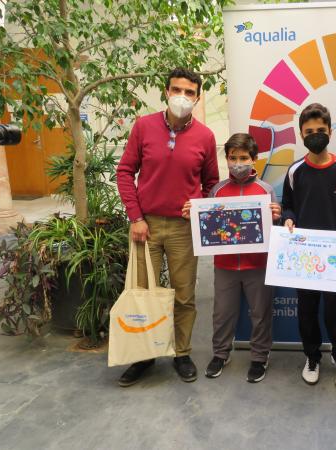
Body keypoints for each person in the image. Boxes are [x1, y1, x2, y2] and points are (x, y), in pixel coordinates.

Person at [116, 68, 219, 387]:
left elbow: (212, 184)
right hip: (144, 226)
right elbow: (125, 172)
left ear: (197, 97)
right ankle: (144, 355)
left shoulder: (205, 137)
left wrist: (197, 203)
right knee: (143, 293)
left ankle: (181, 353)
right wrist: (135, 217)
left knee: (184, 295)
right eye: (177, 90)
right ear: (166, 91)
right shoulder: (143, 127)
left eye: (190, 92)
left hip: (183, 229)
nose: (182, 97)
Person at [182, 133, 281, 383]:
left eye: (244, 158)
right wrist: (193, 214)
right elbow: (207, 224)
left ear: (254, 159)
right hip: (225, 265)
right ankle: (221, 354)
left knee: (260, 313)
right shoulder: (217, 191)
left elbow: (274, 228)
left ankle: (259, 356)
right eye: (233, 158)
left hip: (258, 264)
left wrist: (276, 217)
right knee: (222, 313)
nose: (238, 163)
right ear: (226, 159)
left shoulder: (266, 191)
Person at [281, 103, 336, 390]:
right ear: (300, 134)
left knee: (334, 311)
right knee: (306, 310)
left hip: (334, 258)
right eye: (309, 131)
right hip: (303, 256)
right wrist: (288, 219)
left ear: (330, 131)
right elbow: (288, 206)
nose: (315, 135)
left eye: (320, 130)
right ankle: (312, 357)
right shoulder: (295, 171)